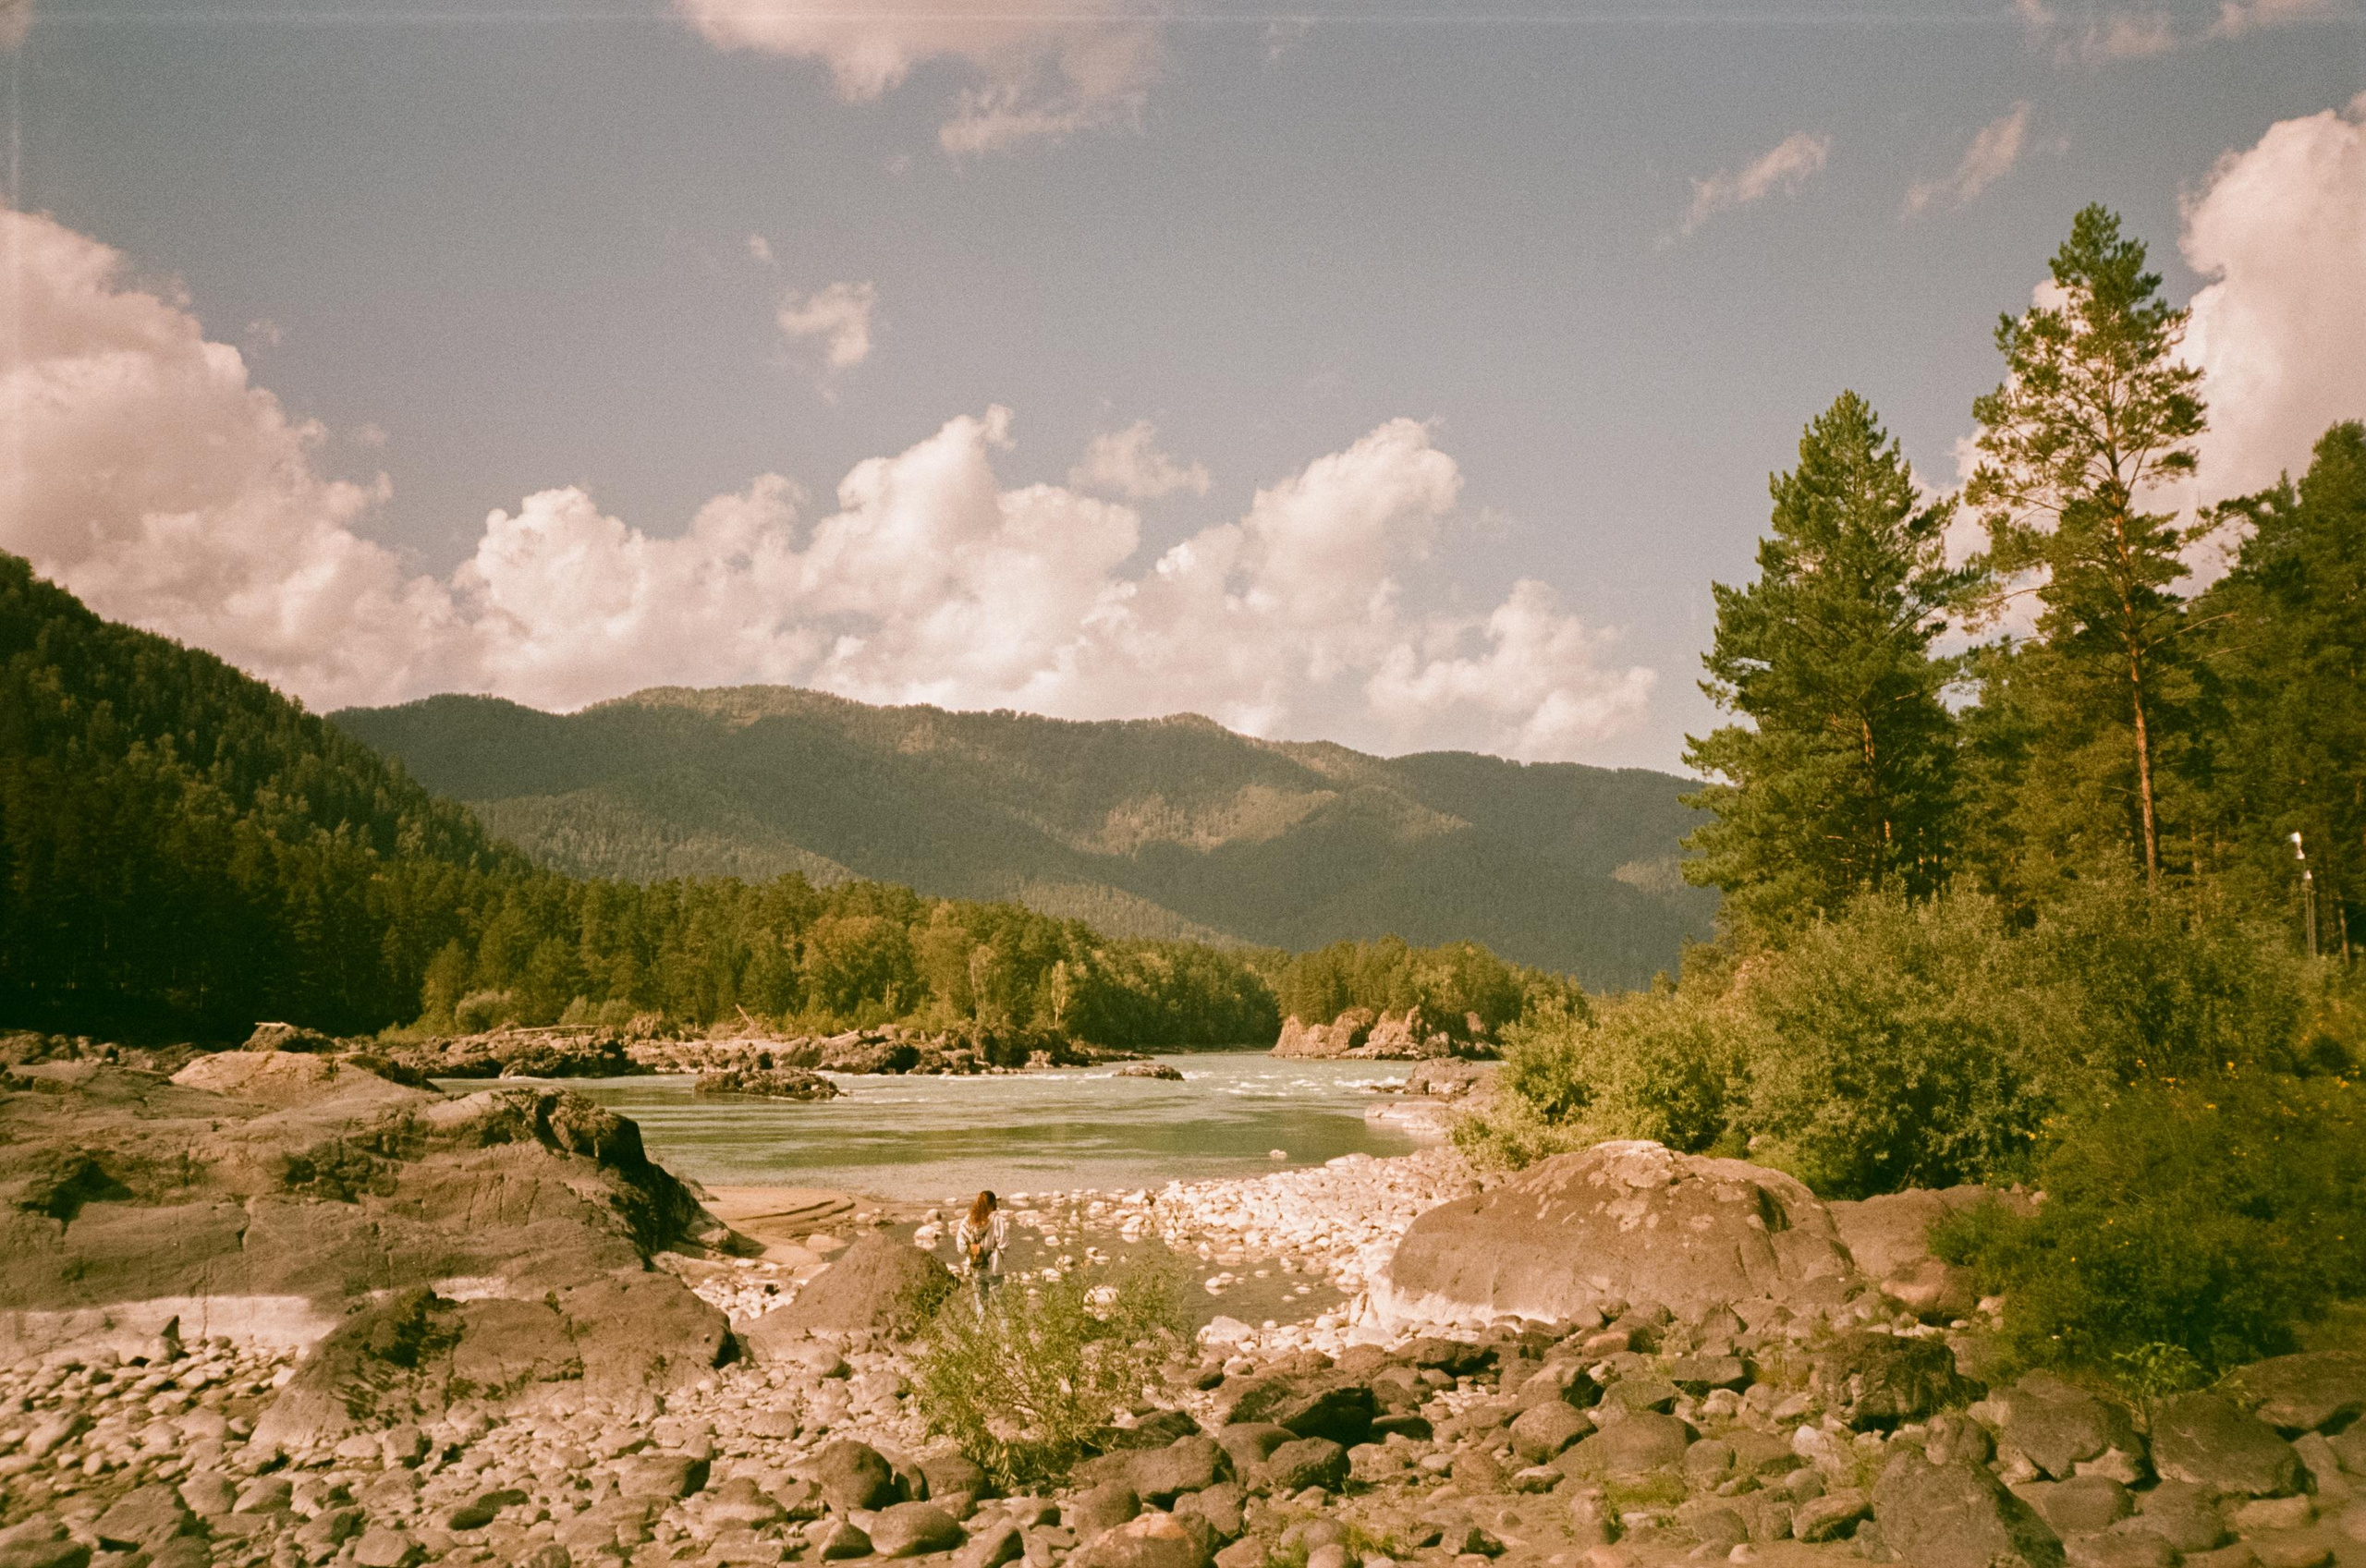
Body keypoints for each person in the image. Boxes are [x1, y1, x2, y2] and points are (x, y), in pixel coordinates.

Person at [952, 1189, 1008, 1317]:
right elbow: (1004, 1244)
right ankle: (1005, 1334)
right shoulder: (997, 1219)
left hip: (976, 1267)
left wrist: (973, 1252)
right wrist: (997, 1256)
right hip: (995, 1267)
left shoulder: (968, 1220)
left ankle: (981, 1332)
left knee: (981, 1305)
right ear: (993, 1203)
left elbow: (961, 1247)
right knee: (1000, 1305)